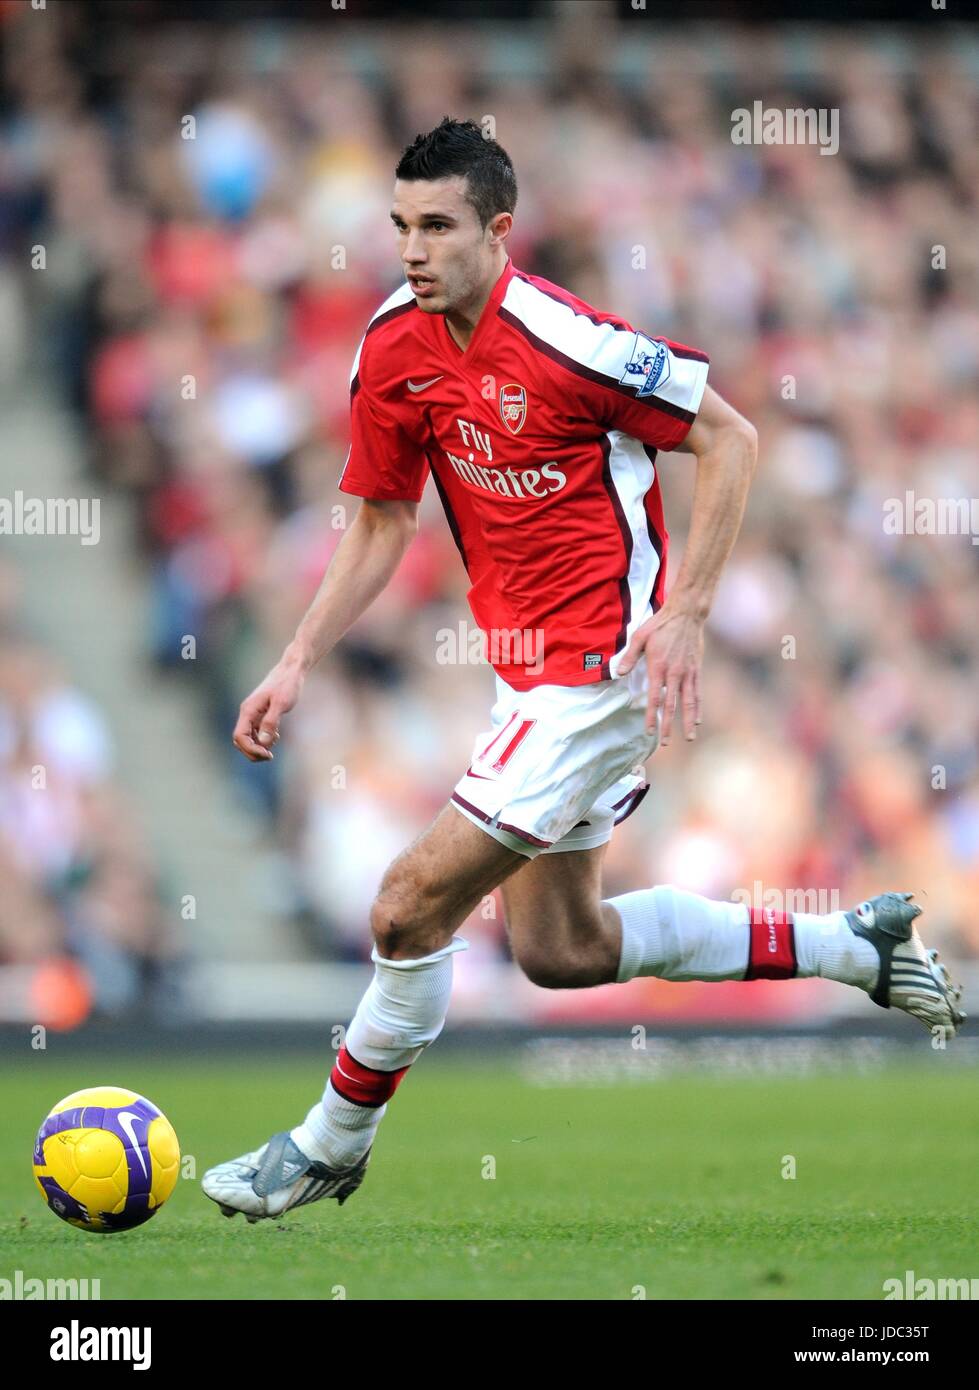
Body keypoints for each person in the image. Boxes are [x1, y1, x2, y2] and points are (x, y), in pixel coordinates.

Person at [202, 119, 963, 1223]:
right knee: (561, 949)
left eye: (437, 227)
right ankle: (848, 944)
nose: (412, 250)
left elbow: (730, 438)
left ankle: (329, 1143)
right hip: (525, 679)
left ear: (497, 232)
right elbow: (378, 517)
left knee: (406, 906)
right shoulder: (392, 348)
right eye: (400, 226)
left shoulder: (568, 341)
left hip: (604, 670)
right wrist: (295, 656)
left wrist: (689, 610)